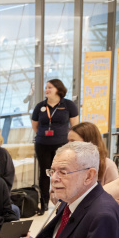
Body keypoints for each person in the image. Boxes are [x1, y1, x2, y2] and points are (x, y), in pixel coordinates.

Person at [32, 78, 80, 214]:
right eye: (46, 87)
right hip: (42, 144)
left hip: (62, 145)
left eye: (50, 87)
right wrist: (45, 135)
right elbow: (35, 126)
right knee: (44, 173)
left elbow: (75, 125)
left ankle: (63, 201)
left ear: (58, 90)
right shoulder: (40, 106)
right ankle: (44, 203)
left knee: (62, 172)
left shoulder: (68, 105)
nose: (46, 90)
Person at [67, 122, 119, 203]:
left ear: (88, 142)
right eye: (68, 141)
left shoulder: (107, 165)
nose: (68, 145)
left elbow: (117, 201)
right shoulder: (68, 164)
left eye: (73, 141)